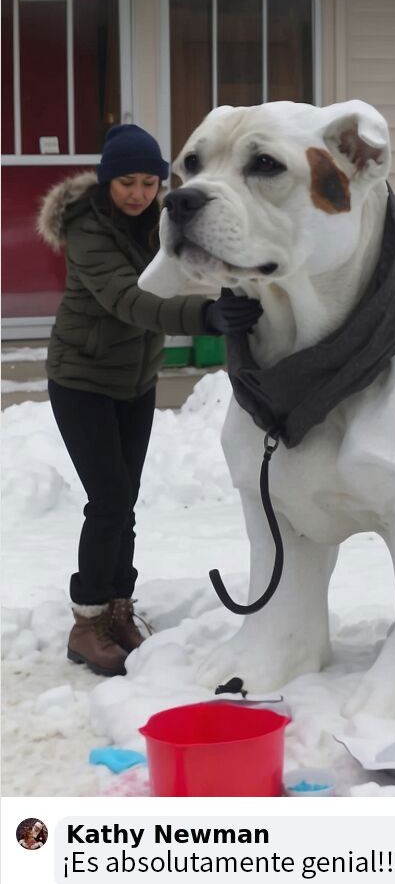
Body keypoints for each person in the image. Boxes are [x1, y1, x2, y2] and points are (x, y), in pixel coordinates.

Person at [37, 124, 262, 677]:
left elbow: (199, 259)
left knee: (125, 500)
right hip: (82, 380)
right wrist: (204, 317)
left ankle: (118, 609)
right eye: (126, 182)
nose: (137, 193)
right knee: (109, 498)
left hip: (133, 381)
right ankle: (86, 622)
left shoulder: (160, 222)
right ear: (108, 180)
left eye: (147, 182)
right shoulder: (88, 228)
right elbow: (128, 300)